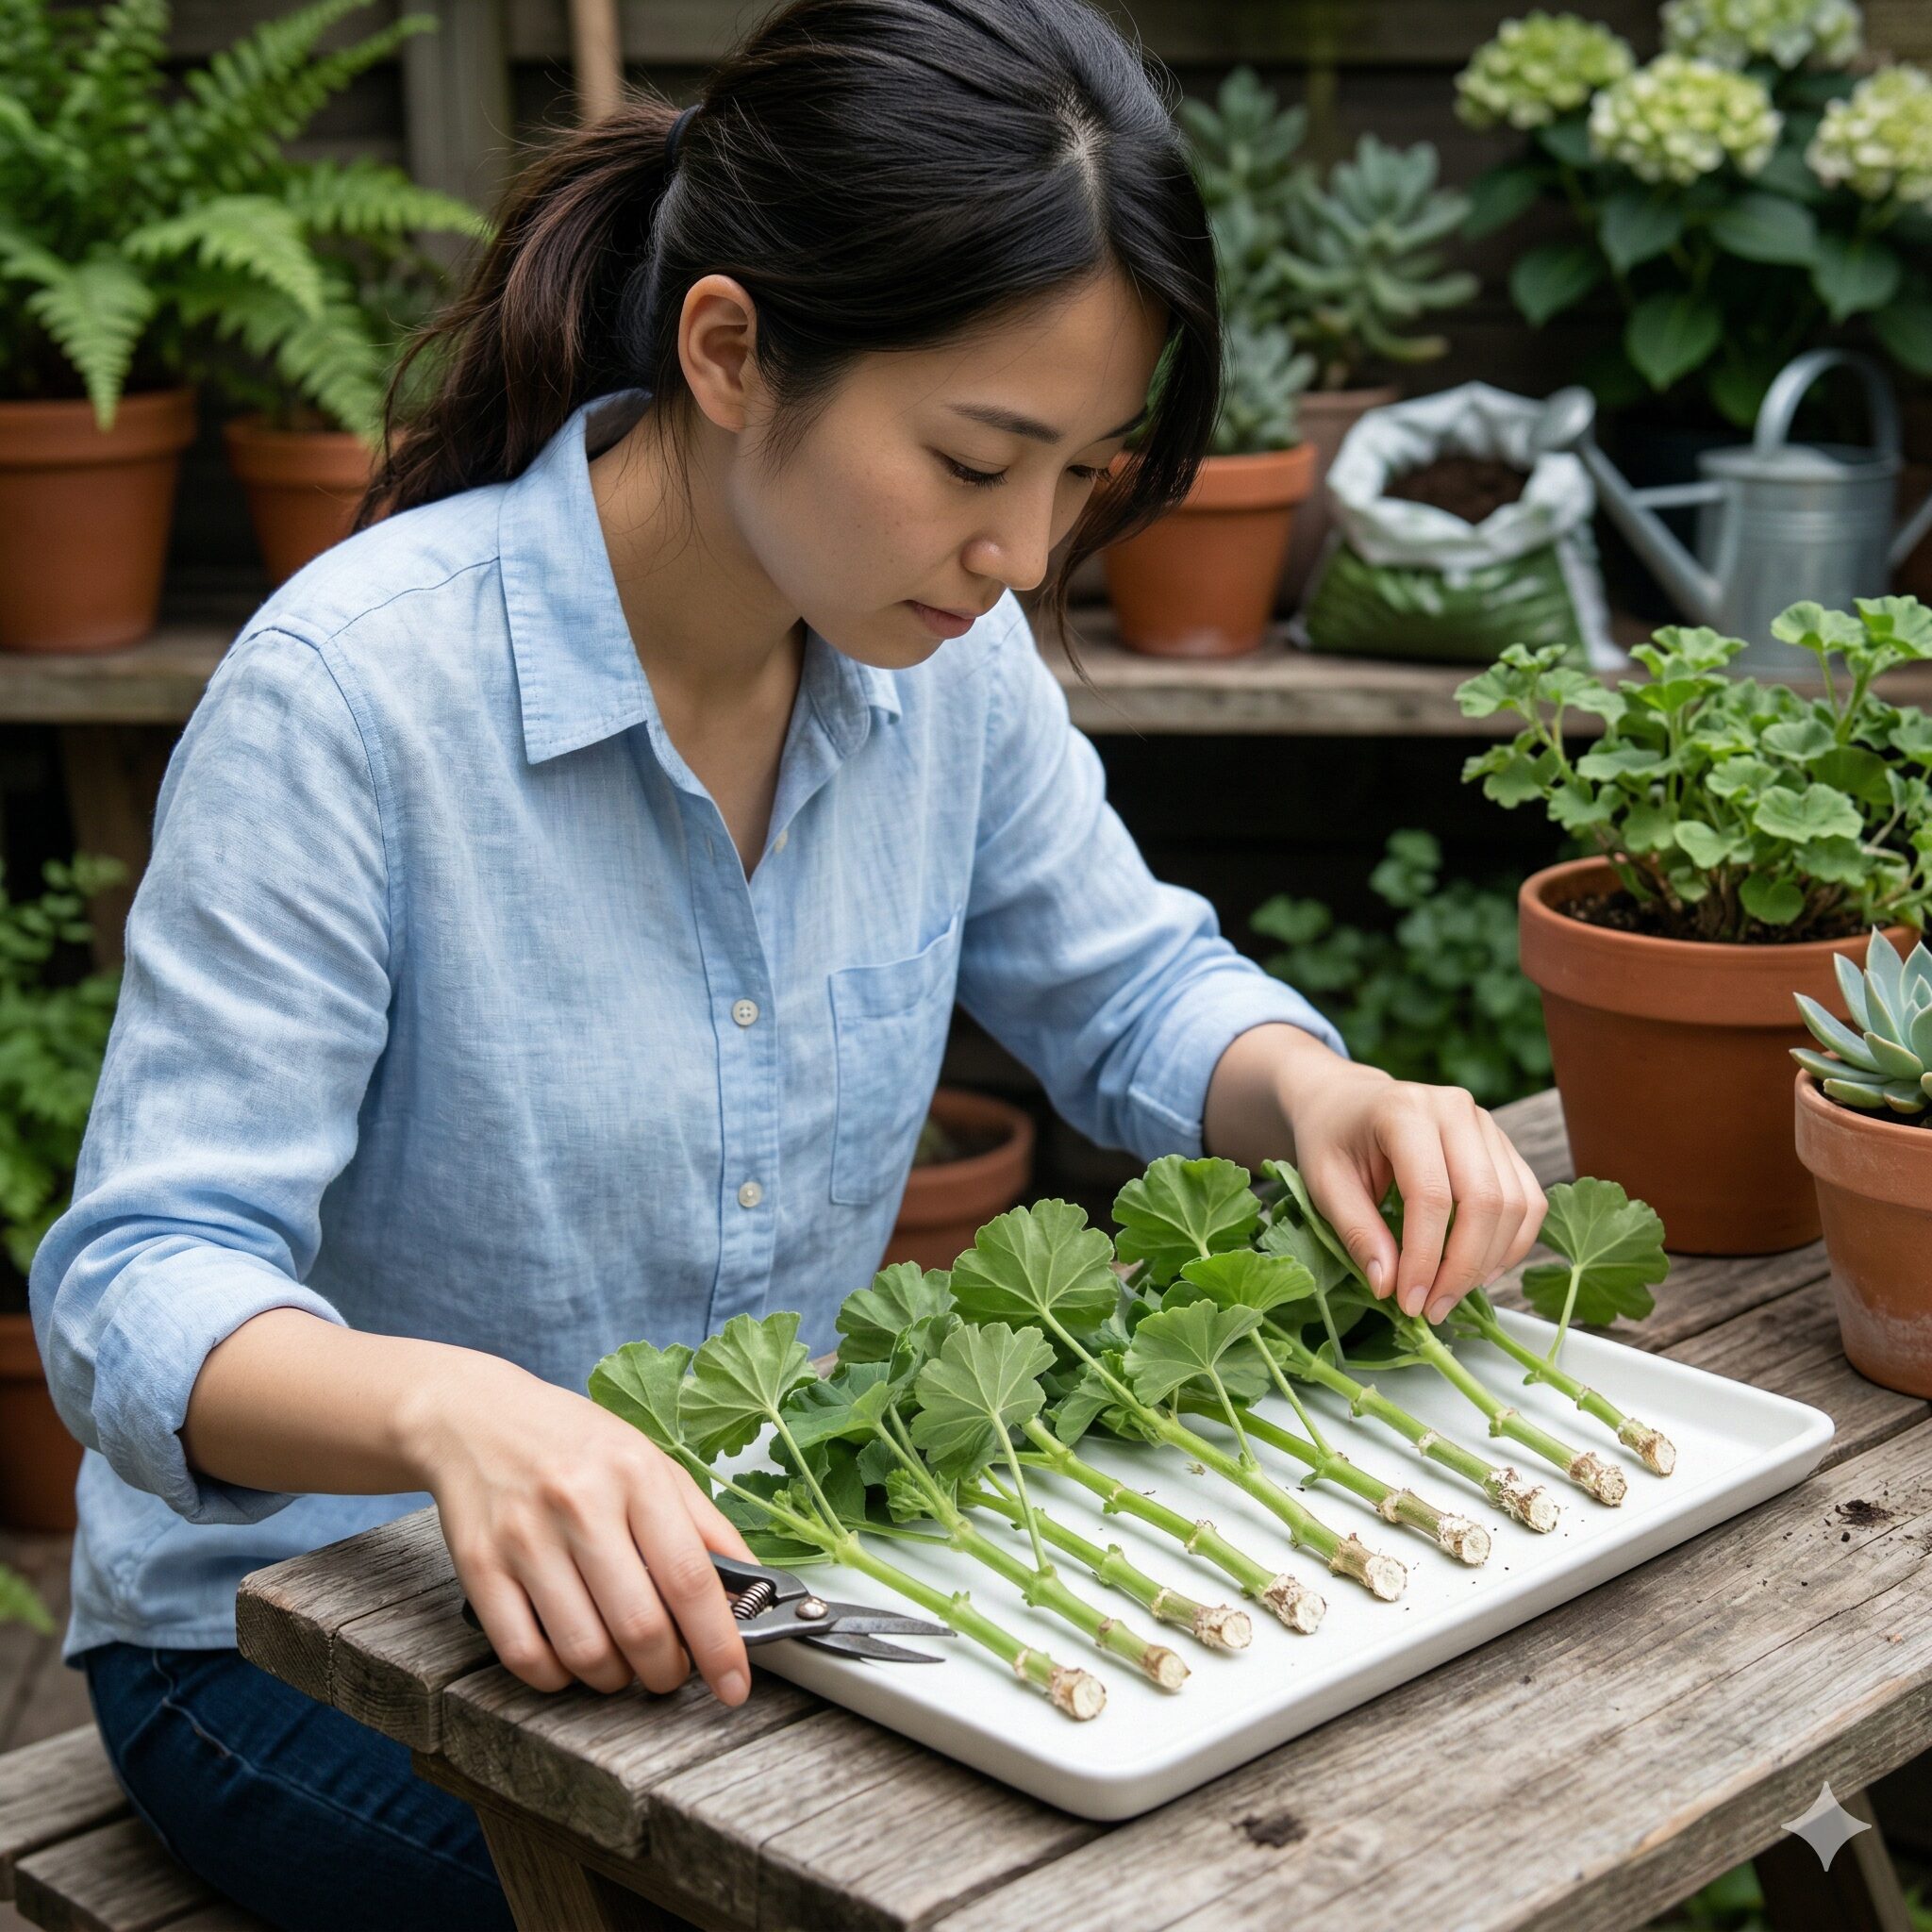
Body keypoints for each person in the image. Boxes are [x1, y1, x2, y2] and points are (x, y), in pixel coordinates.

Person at [30, 1, 1548, 1924]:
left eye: (1081, 473)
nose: (1021, 548)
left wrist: (1316, 1089)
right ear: (732, 348)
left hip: (761, 1578)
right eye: (975, 455)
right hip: (304, 1638)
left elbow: (1129, 985)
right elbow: (136, 1285)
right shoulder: (355, 699)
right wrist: (449, 1412)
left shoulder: (939, 655)